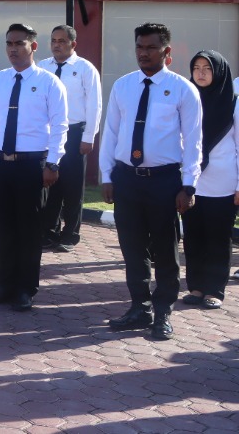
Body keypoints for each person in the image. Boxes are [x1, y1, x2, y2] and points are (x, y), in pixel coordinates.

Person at [101, 22, 203, 340]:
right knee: (132, 248)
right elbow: (111, 133)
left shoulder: (183, 90)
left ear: (166, 51)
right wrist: (107, 175)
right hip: (127, 179)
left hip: (164, 180)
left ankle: (163, 313)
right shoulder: (123, 86)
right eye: (139, 47)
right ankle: (139, 307)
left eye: (150, 48)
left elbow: (194, 141)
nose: (143, 54)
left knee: (164, 249)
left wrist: (189, 186)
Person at [0, 24, 67, 312]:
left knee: (28, 230)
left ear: (33, 46)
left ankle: (26, 288)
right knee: (3, 228)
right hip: (1, 163)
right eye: (9, 43)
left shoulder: (50, 82)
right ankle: (5, 285)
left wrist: (53, 162)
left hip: (32, 164)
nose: (13, 49)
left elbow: (60, 126)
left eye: (19, 43)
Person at [181, 51, 238, 310]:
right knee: (193, 236)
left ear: (219, 72)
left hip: (224, 182)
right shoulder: (186, 98)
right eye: (196, 67)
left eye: (207, 68)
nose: (201, 73)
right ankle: (195, 287)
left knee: (218, 237)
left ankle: (215, 289)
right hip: (191, 181)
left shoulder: (233, 103)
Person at [38, 25, 103, 252]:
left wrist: (89, 137)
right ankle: (49, 231)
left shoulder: (85, 68)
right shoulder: (42, 67)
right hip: (49, 133)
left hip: (75, 132)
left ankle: (70, 234)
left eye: (62, 41)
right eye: (54, 40)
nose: (57, 45)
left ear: (73, 44)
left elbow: (94, 104)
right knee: (49, 183)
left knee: (72, 186)